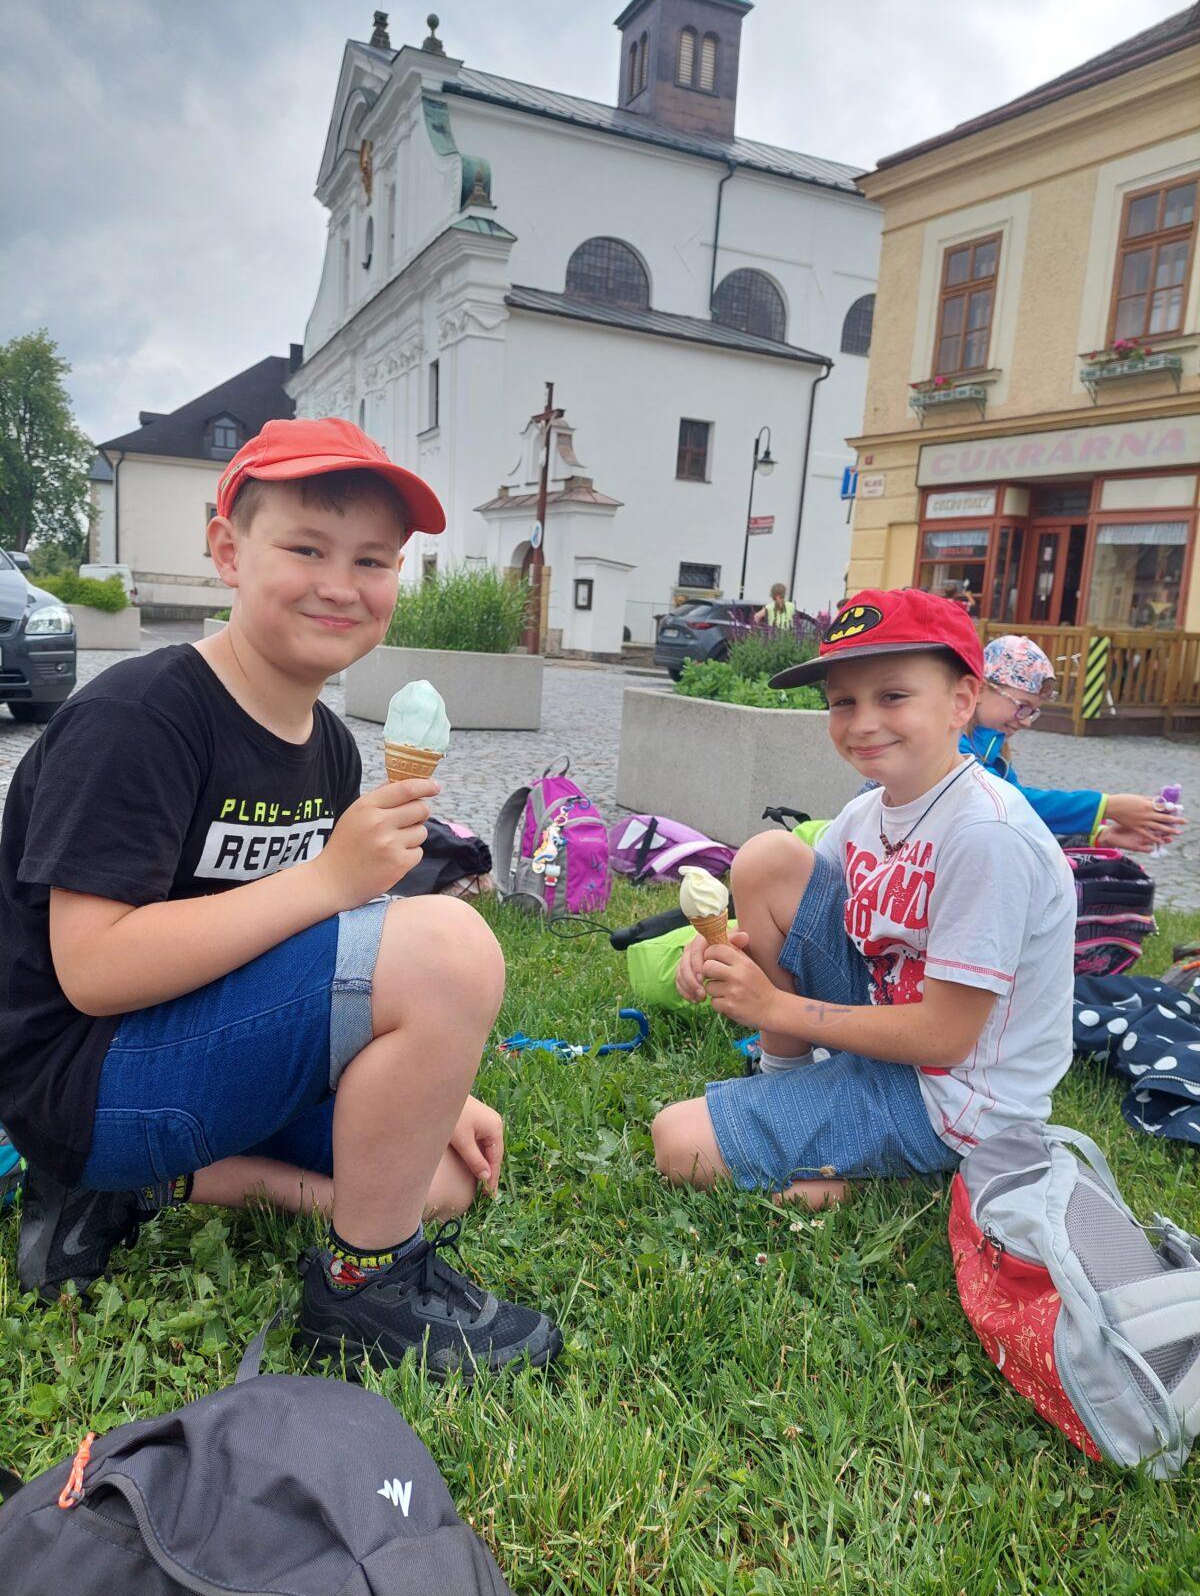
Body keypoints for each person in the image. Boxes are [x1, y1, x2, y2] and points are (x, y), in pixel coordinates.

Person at [0, 416, 561, 1379]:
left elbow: (333, 958)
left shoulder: (331, 748)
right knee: (453, 946)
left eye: (373, 560)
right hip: (88, 1078)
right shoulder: (141, 718)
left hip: (209, 1051)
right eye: (306, 548)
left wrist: (443, 1082)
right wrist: (331, 879)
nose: (341, 584)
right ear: (228, 549)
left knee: (438, 1176)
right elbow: (90, 971)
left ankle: (165, 1188)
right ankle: (365, 1287)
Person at [651, 588, 1077, 1208]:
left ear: (963, 701)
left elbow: (944, 1036)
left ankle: (921, 1177)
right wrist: (712, 944)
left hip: (956, 1100)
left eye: (893, 695)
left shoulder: (987, 837)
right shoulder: (867, 813)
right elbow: (788, 913)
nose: (863, 722)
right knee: (769, 858)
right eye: (842, 701)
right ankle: (786, 1084)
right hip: (887, 1025)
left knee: (678, 1142)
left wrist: (772, 1008)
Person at [964, 635, 1185, 853]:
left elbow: (1024, 815)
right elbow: (1008, 802)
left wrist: (1102, 836)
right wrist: (1107, 806)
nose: (1027, 721)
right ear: (980, 690)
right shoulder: (955, 747)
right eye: (1022, 706)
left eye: (1033, 711)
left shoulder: (992, 748)